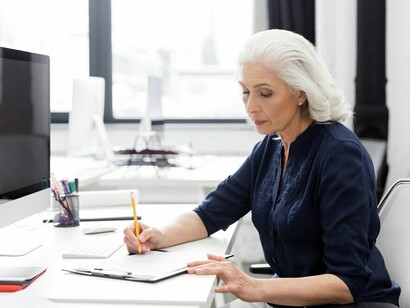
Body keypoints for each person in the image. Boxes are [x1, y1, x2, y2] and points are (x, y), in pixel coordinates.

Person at [123, 29, 401, 307]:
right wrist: (159, 235)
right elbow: (210, 214)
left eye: (265, 94)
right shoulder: (271, 147)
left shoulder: (340, 156)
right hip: (290, 301)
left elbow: (347, 283)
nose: (251, 106)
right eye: (245, 92)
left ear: (301, 93)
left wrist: (256, 287)